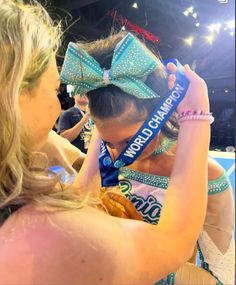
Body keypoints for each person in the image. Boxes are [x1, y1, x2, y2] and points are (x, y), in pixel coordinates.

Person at [0, 1, 211, 284]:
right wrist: (196, 118)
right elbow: (173, 241)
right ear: (14, 96)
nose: (56, 106)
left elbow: (81, 190)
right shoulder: (45, 233)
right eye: (53, 90)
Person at [64, 32, 235, 285]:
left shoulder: (209, 176)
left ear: (159, 117)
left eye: (130, 142)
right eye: (109, 141)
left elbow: (222, 275)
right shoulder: (103, 161)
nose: (120, 154)